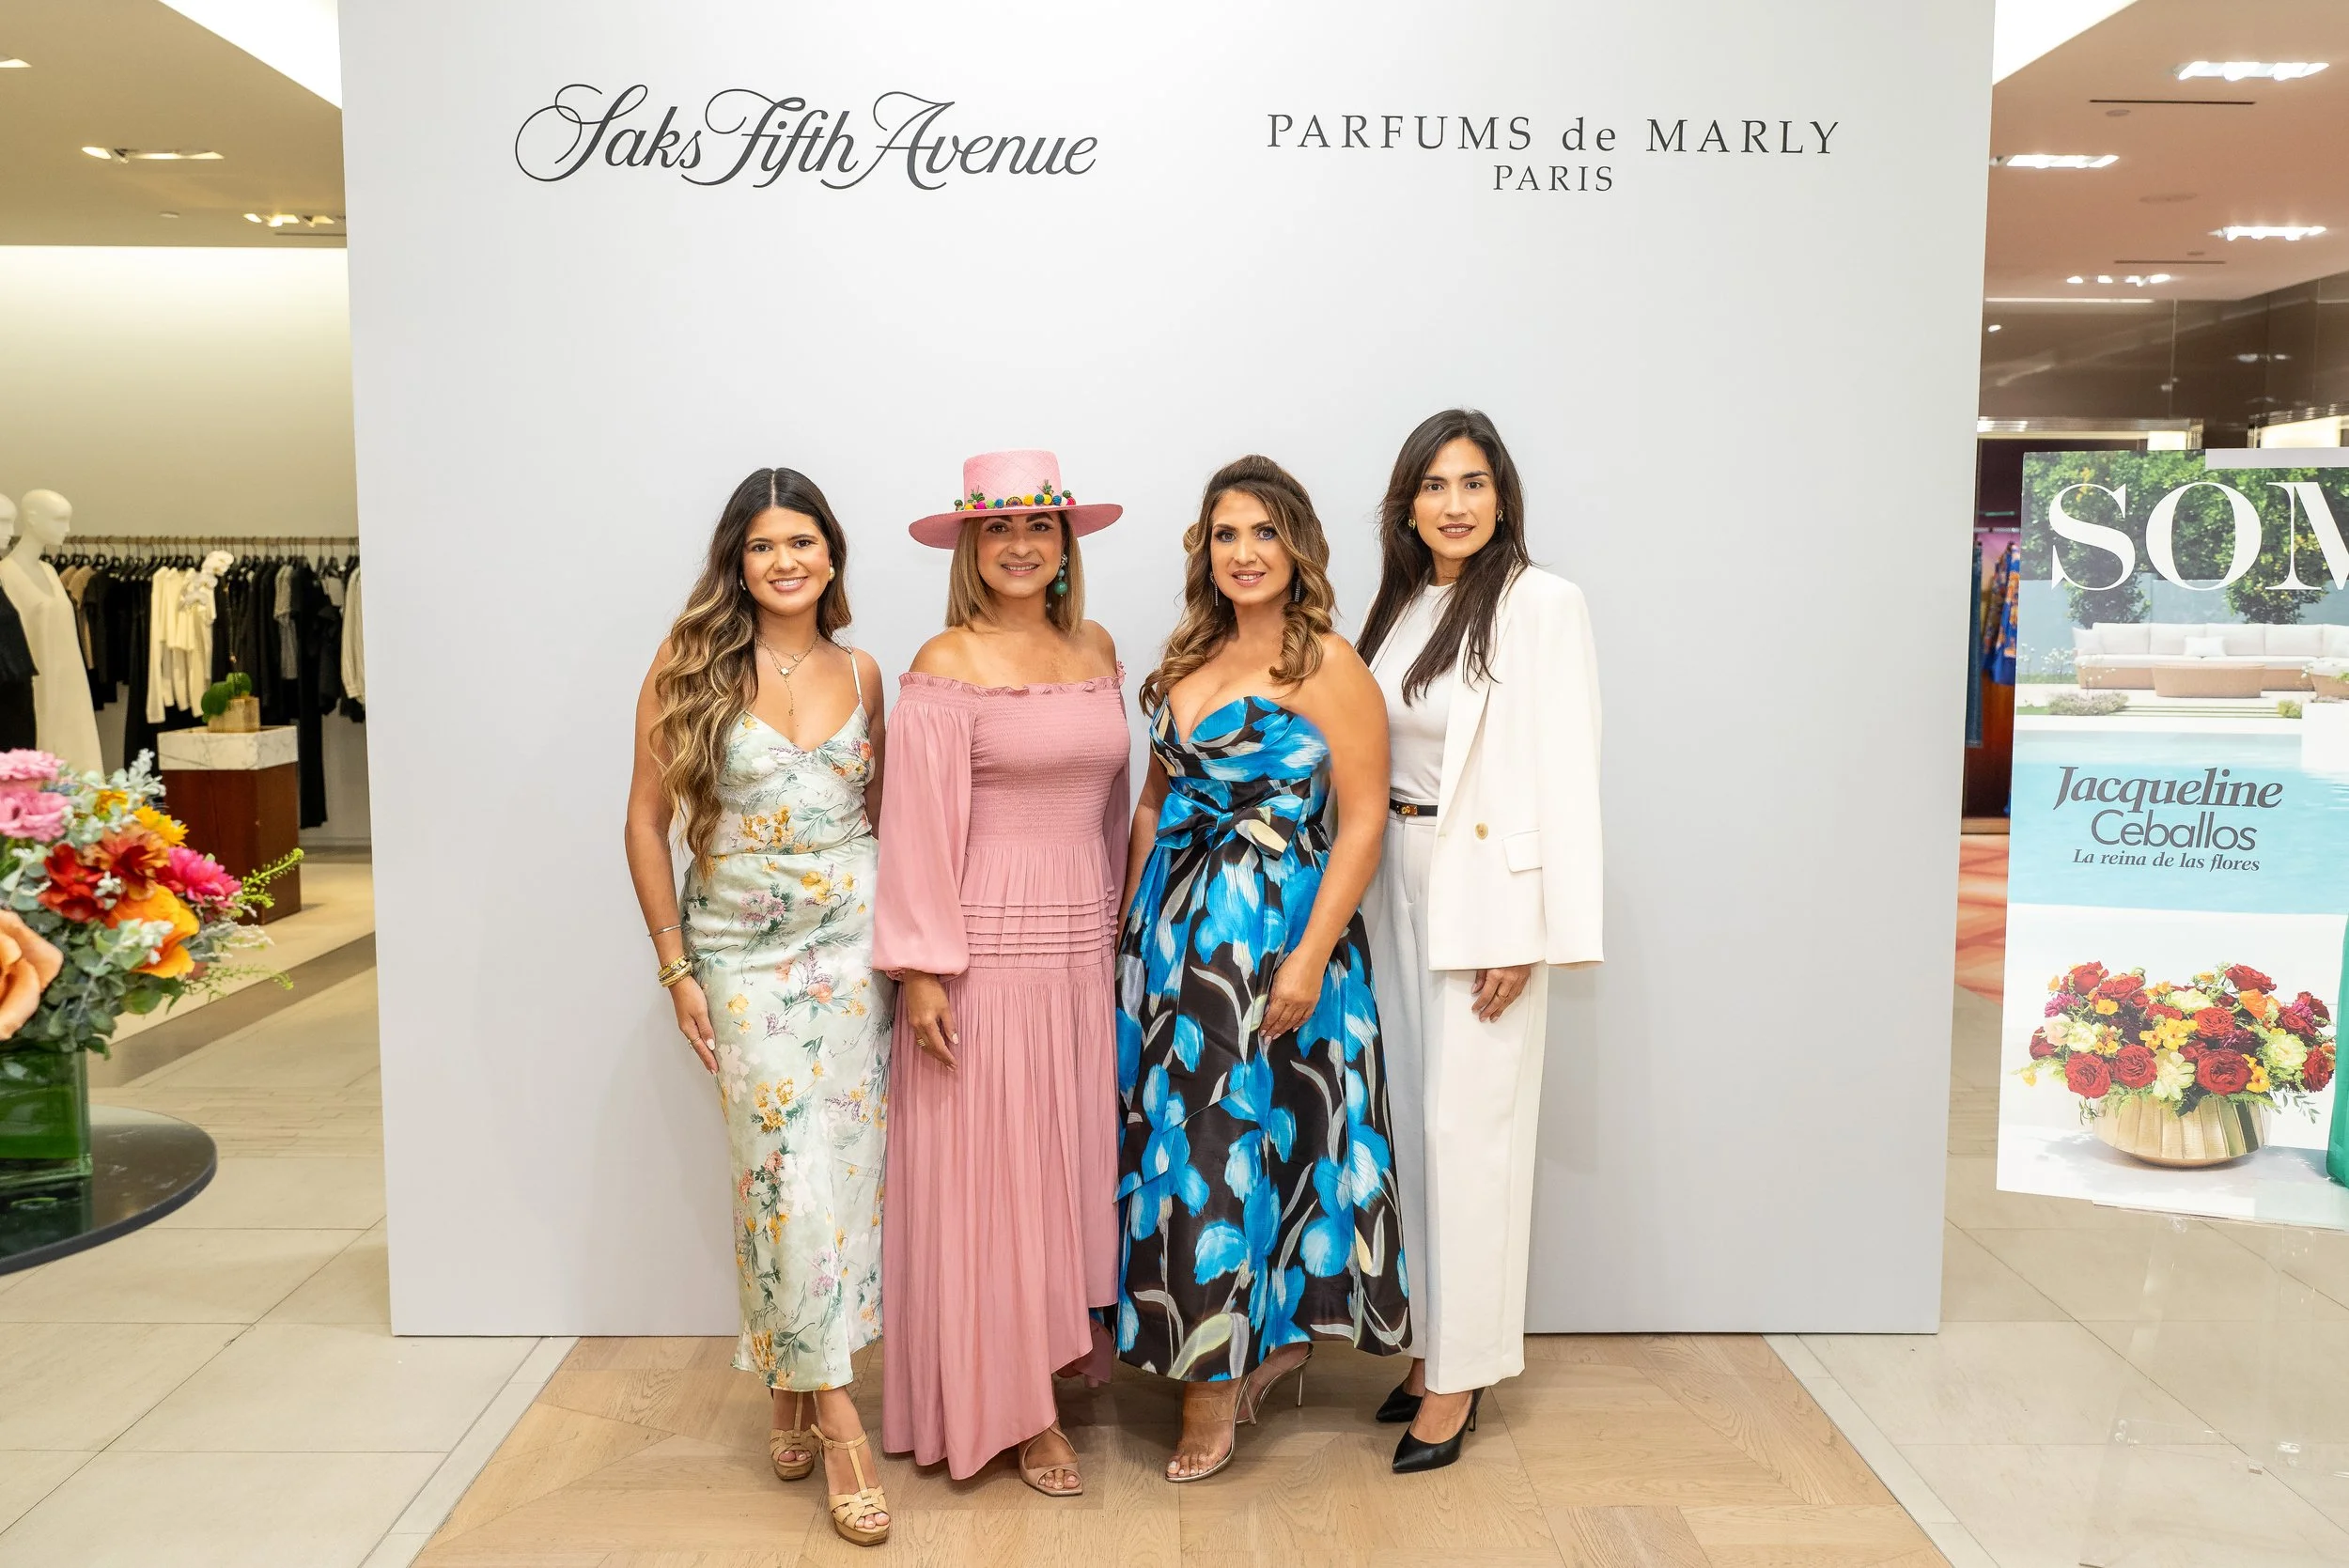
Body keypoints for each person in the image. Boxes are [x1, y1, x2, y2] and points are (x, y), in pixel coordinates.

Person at [1114, 454, 1410, 1483]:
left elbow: (1364, 817)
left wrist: (1310, 954)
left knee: (1235, 1148)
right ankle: (1251, 1351)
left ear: (1298, 548)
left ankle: (1210, 1392)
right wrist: (1125, 917)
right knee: (1184, 1149)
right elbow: (1156, 801)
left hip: (1277, 937)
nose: (1245, 553)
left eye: (1265, 534)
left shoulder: (1327, 662)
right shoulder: (1182, 658)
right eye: (1226, 534)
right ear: (1206, 550)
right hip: (1173, 945)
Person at [623, 467, 894, 1545]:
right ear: (735, 562)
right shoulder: (688, 666)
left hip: (854, 954)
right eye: (763, 546)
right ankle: (839, 1424)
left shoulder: (867, 672)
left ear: (832, 554)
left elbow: (882, 818)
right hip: (738, 953)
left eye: (804, 542)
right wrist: (674, 964)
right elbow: (645, 824)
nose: (786, 562)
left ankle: (791, 1379)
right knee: (782, 1167)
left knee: (840, 1177)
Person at [872, 449, 1130, 1495]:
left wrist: (1122, 932)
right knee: (996, 1180)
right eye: (999, 530)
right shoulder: (947, 658)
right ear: (971, 548)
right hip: (981, 953)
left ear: (1064, 546)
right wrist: (924, 969)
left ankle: (1054, 1360)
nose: (1021, 545)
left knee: (1065, 1165)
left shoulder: (1098, 647)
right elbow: (912, 828)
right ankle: (1016, 1413)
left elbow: (1115, 807)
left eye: (1040, 527)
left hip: (1079, 951)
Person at [1354, 409, 1603, 1474]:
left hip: (1482, 898)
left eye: (1472, 482)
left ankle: (1460, 1378)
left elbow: (1566, 772)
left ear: (1502, 495)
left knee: (1474, 1138)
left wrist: (1534, 931)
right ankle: (1427, 1348)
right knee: (1410, 1128)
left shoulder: (1542, 603)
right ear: (1406, 504)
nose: (1453, 504)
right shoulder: (1402, 604)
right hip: (1389, 883)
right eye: (1433, 485)